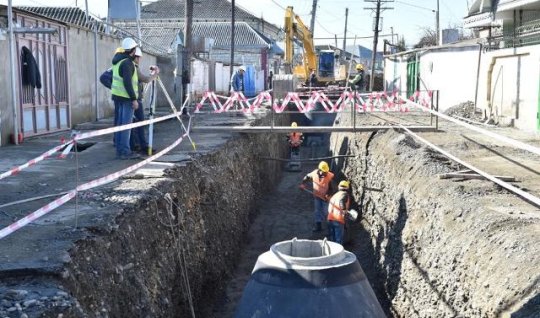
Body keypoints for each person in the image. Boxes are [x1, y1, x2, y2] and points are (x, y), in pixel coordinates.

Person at [111, 37, 140, 160]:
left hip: (118, 97)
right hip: (126, 98)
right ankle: (124, 151)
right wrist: (134, 99)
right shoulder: (127, 63)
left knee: (120, 125)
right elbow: (128, 82)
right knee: (126, 126)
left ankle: (120, 150)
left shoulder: (118, 61)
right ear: (133, 51)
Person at [130, 47, 160, 154]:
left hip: (132, 98)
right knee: (139, 122)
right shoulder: (132, 67)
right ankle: (142, 145)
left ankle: (136, 145)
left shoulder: (128, 65)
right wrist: (155, 75)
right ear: (136, 57)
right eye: (139, 58)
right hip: (134, 99)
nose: (140, 60)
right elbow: (146, 79)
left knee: (134, 123)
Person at [301, 161, 335, 232]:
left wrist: (328, 195)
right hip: (317, 197)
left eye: (326, 171)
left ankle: (330, 229)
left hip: (325, 199)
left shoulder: (328, 176)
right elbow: (307, 177)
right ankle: (318, 227)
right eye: (324, 172)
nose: (326, 173)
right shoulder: (314, 173)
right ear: (319, 170)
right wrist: (303, 184)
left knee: (326, 213)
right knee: (317, 212)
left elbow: (331, 188)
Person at [327, 180, 351, 245]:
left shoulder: (335, 195)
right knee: (338, 241)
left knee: (332, 240)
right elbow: (341, 201)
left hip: (330, 219)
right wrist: (343, 209)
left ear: (338, 187)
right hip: (338, 219)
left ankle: (332, 254)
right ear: (347, 188)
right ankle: (339, 254)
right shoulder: (344, 194)